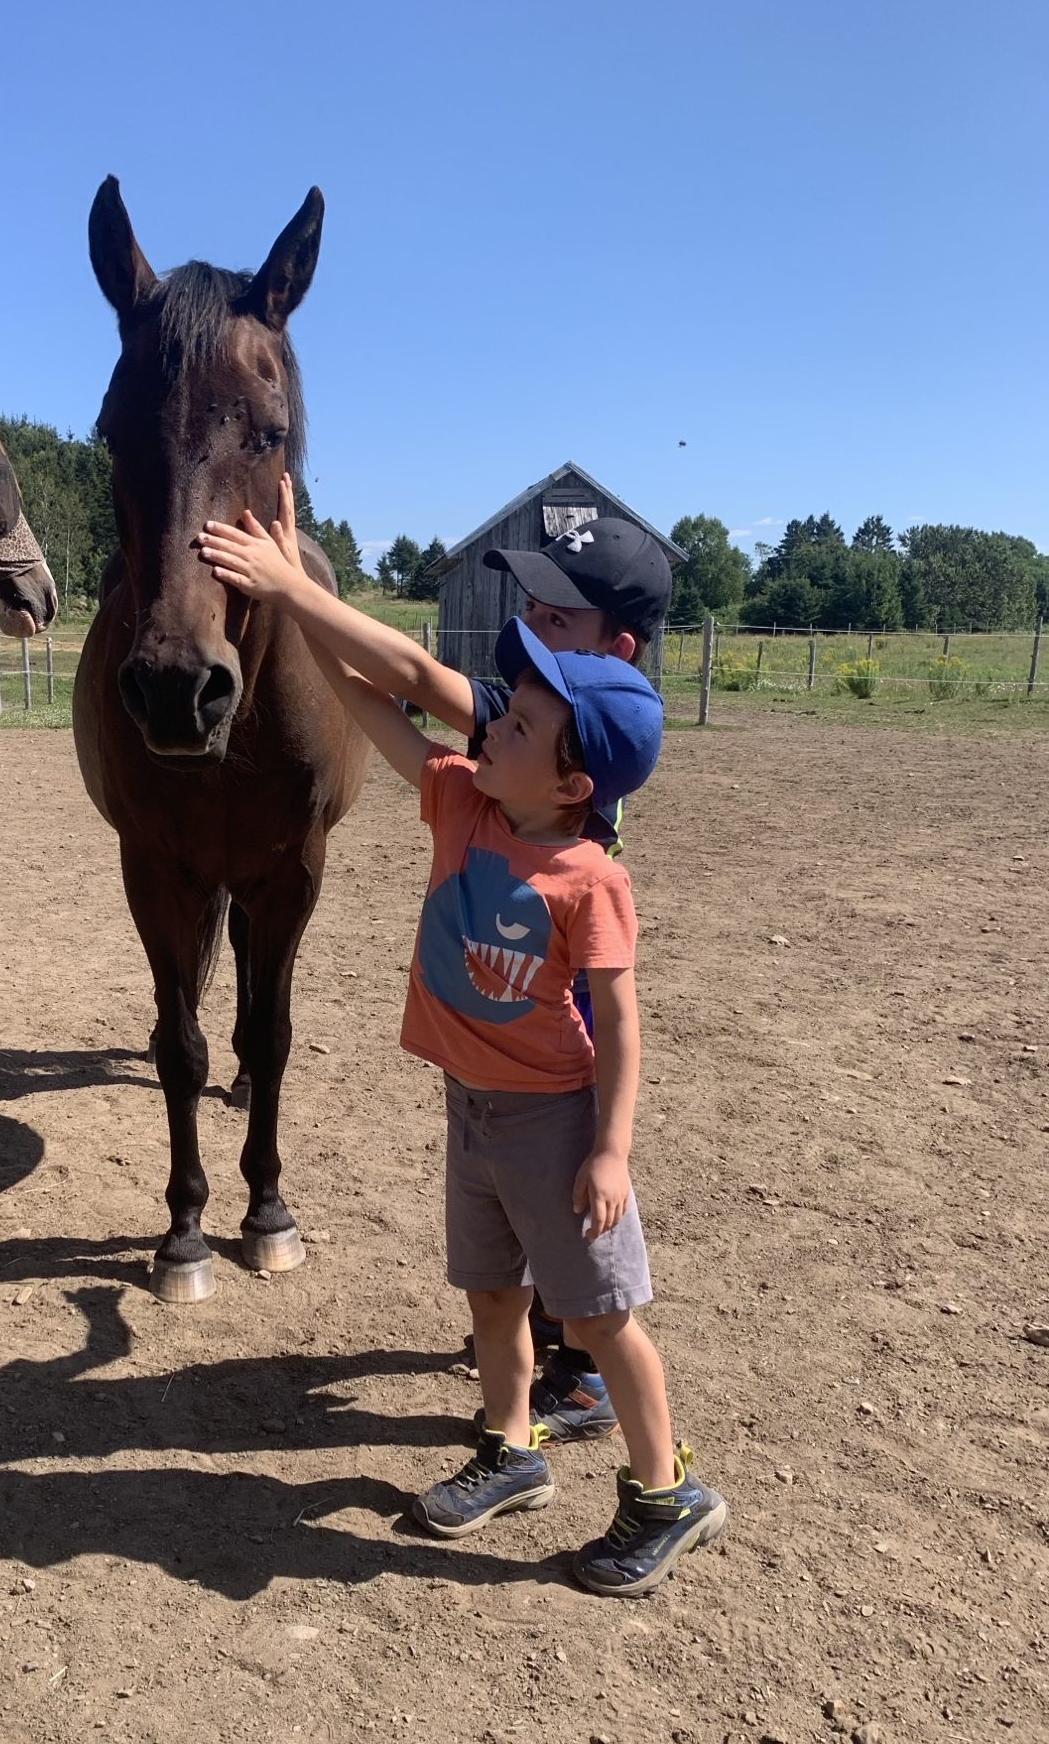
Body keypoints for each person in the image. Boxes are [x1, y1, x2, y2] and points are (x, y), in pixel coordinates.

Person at [198, 480, 726, 1594]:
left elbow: (621, 1019)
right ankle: (510, 1447)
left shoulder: (590, 876)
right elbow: (371, 702)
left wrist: (612, 1148)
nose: (493, 723)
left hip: (554, 1119)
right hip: (474, 1106)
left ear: (571, 777)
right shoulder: (465, 796)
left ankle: (665, 1489)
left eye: (517, 724)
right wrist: (292, 602)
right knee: (492, 1293)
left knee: (603, 1315)